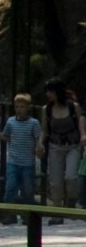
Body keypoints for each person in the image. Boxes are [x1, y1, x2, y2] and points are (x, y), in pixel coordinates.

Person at [42, 80, 83, 210]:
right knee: (55, 181)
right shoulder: (47, 109)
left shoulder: (73, 106)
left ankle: (71, 201)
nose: (48, 94)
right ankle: (57, 209)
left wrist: (83, 137)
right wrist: (40, 143)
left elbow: (81, 122)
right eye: (47, 91)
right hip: (55, 146)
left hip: (73, 146)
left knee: (71, 177)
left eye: (51, 91)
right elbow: (44, 130)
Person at [1, 94, 41, 223]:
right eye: (17, 107)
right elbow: (5, 136)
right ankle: (9, 214)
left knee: (27, 190)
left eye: (22, 107)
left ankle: (27, 214)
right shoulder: (11, 121)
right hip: (13, 161)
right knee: (10, 188)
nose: (19, 109)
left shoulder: (34, 123)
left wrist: (39, 148)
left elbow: (38, 139)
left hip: (27, 162)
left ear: (28, 107)